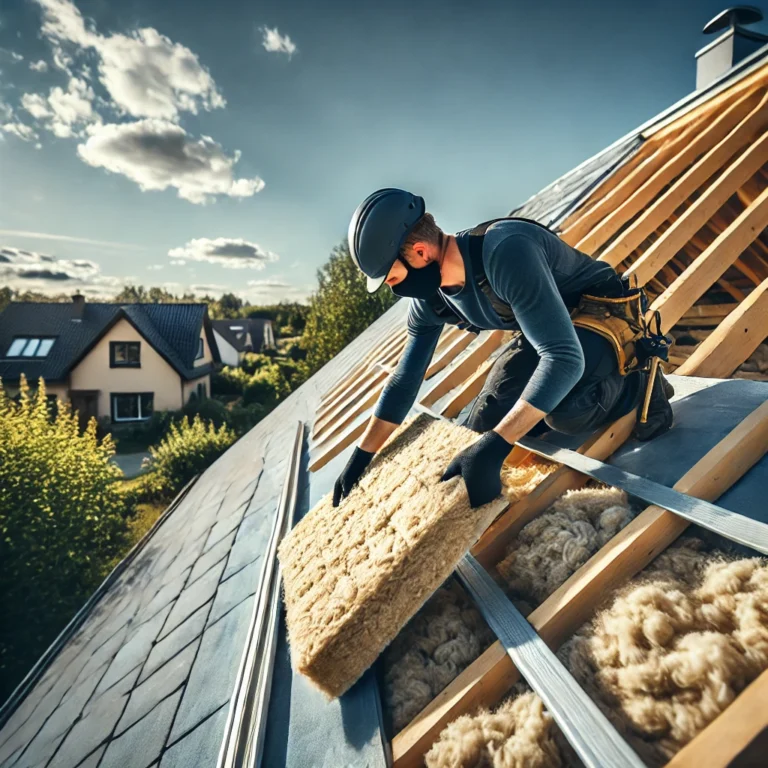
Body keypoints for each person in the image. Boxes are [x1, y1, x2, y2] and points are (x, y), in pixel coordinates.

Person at [333, 188, 673, 509]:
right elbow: (405, 381)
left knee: (565, 412)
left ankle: (640, 384)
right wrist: (361, 457)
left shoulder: (505, 250)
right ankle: (548, 408)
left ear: (421, 253)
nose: (395, 290)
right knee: (486, 414)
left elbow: (564, 357)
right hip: (547, 327)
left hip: (604, 319)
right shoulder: (431, 299)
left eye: (392, 279)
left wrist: (498, 444)